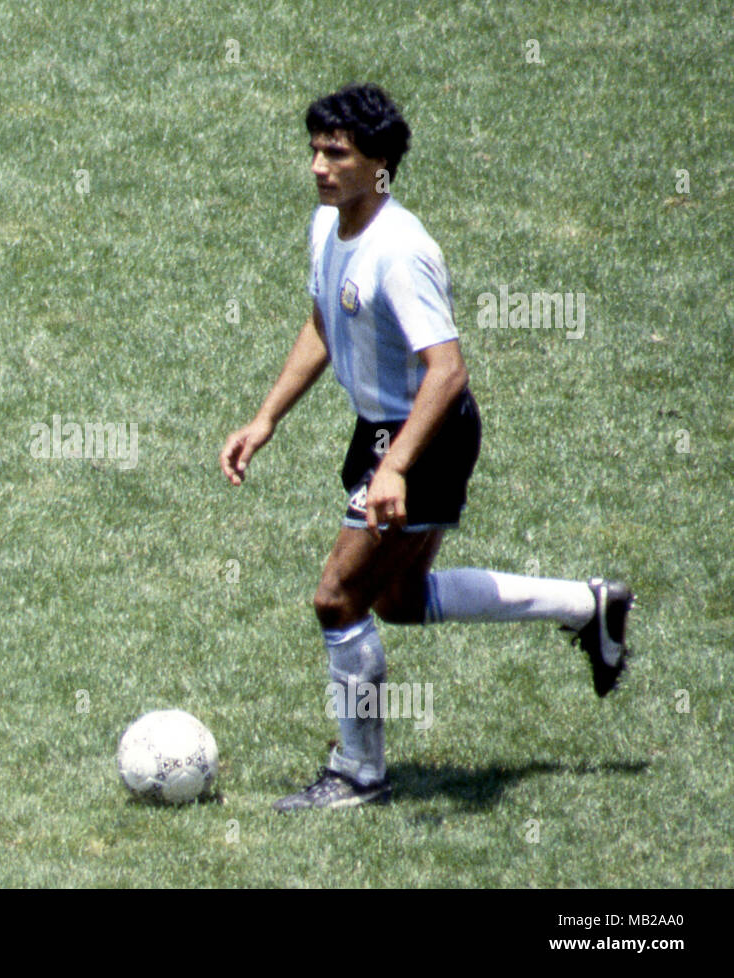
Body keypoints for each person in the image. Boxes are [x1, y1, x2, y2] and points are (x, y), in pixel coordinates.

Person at [218, 83, 634, 812]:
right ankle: (588, 604)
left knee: (337, 599)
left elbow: (447, 370)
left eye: (336, 153)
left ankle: (358, 773)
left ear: (379, 165)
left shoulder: (401, 251)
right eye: (314, 149)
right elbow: (322, 325)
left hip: (426, 434)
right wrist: (266, 419)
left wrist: (396, 467)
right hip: (384, 431)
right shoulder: (327, 225)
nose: (318, 166)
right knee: (400, 600)